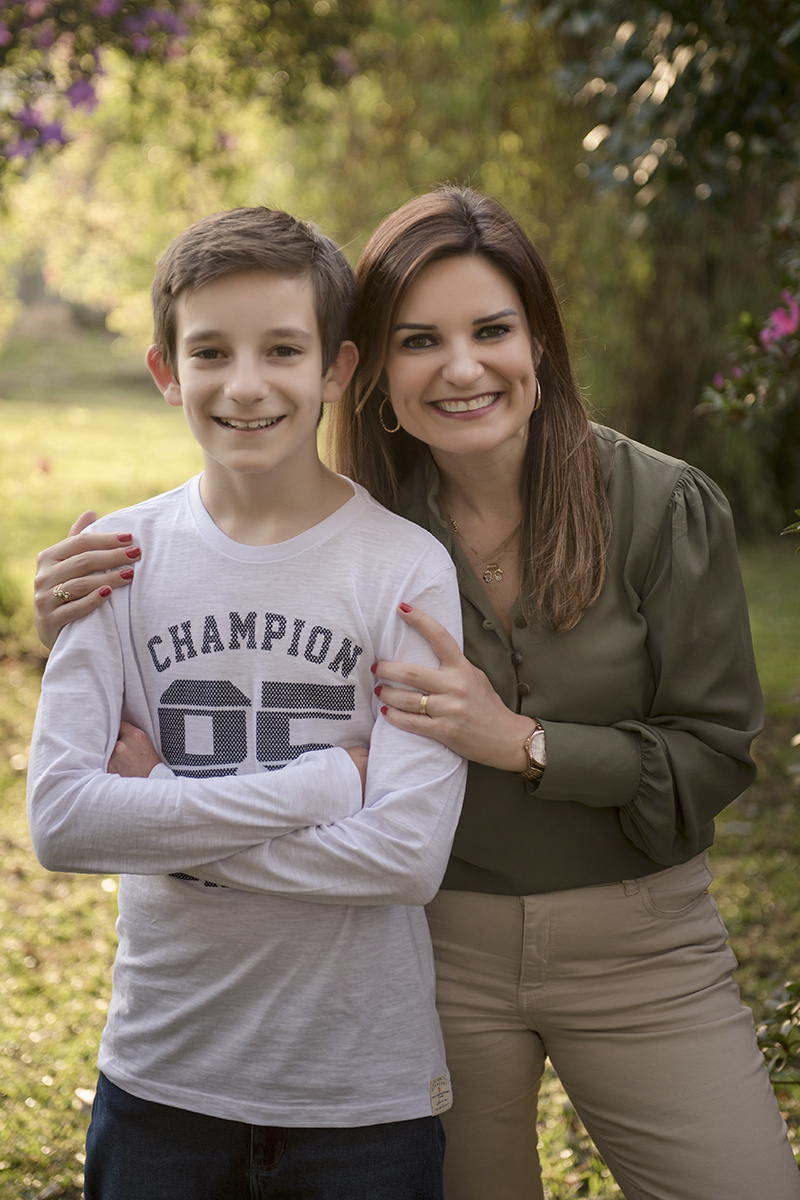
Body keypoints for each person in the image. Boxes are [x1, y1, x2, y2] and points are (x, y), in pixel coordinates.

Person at [33, 188, 800, 1200]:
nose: (462, 367)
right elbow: (85, 798)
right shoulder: (367, 527)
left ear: (541, 342)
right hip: (443, 952)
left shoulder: (655, 506)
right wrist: (95, 642)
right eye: (419, 339)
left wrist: (524, 742)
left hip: (635, 938)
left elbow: (711, 754)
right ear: (372, 371)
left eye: (492, 330)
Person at [27, 205, 467, 1200]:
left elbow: (404, 858)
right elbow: (60, 823)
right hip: (163, 1077)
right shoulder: (115, 563)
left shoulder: (402, 567)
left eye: (282, 349)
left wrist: (153, 808)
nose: (246, 384)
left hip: (360, 1092)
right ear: (164, 372)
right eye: (210, 352)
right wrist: (321, 784)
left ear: (336, 370)